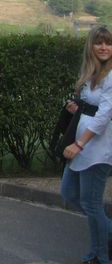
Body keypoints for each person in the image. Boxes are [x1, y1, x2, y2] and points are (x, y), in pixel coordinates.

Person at [61, 25, 112, 264]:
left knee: (91, 205)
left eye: (108, 43)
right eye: (99, 42)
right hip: (82, 145)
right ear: (90, 46)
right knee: (69, 193)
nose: (104, 47)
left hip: (97, 149)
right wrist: (78, 108)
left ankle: (100, 257)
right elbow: (91, 107)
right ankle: (105, 232)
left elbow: (104, 115)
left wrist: (79, 144)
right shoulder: (92, 72)